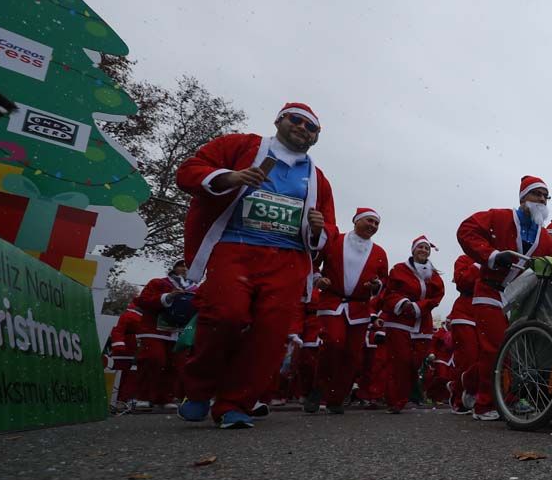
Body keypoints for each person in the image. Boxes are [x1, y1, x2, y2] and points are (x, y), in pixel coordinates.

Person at [174, 101, 338, 428]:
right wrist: (230, 177)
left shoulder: (317, 178)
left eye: (311, 128)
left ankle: (235, 403)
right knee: (224, 314)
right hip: (235, 247)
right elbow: (188, 172)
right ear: (279, 120)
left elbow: (329, 229)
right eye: (297, 121)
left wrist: (318, 230)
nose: (303, 129)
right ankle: (198, 390)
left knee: (270, 334)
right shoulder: (240, 146)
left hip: (288, 259)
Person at [456, 176, 552, 420]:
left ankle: (468, 382)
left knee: (507, 350)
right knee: (495, 347)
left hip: (516, 297)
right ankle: (485, 404)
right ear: (523, 197)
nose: (542, 199)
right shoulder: (499, 217)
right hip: (489, 290)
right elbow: (466, 230)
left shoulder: (543, 237)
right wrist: (491, 255)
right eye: (537, 194)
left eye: (546, 196)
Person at [311, 208, 388, 414]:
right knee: (333, 343)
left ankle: (336, 398)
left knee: (352, 355)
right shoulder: (335, 241)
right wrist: (318, 280)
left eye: (376, 223)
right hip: (333, 301)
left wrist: (376, 286)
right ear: (356, 221)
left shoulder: (379, 252)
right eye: (369, 221)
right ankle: (318, 387)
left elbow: (383, 281)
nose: (373, 226)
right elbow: (313, 263)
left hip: (359, 307)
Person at [378, 235, 446, 413]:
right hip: (399, 321)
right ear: (413, 250)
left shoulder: (434, 275)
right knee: (399, 361)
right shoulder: (399, 270)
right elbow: (389, 292)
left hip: (422, 322)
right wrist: (403, 303)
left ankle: (405, 396)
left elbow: (437, 297)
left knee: (415, 362)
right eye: (420, 247)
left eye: (426, 248)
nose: (423, 251)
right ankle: (395, 401)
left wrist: (418, 307)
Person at [133, 260, 198, 408]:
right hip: (155, 330)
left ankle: (165, 398)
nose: (184, 269)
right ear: (174, 268)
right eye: (181, 266)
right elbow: (143, 301)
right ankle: (143, 397)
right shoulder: (158, 283)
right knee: (154, 360)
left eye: (188, 267)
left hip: (179, 332)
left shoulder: (195, 289)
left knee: (175, 365)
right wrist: (167, 297)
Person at [446, 254, 481, 413]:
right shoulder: (463, 259)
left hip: (486, 312)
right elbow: (463, 282)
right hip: (464, 313)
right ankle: (459, 397)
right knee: (467, 357)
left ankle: (464, 387)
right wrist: (480, 263)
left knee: (486, 357)